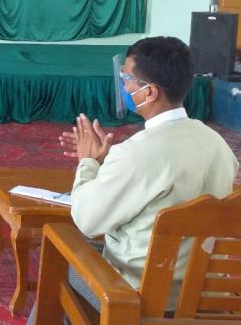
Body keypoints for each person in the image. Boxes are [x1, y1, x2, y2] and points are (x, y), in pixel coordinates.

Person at [28, 36, 239, 323]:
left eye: (127, 79)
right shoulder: (217, 144)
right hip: (205, 292)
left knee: (58, 256)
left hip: (137, 298)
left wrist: (88, 163)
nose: (124, 87)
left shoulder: (136, 153)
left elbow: (87, 220)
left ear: (149, 92)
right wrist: (109, 163)